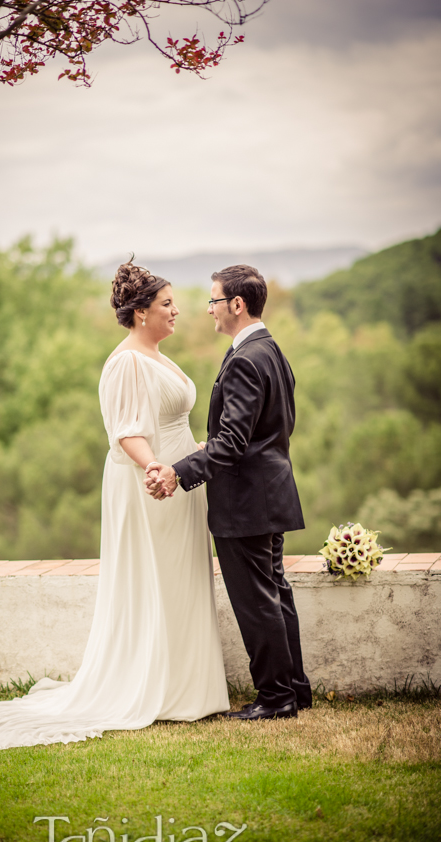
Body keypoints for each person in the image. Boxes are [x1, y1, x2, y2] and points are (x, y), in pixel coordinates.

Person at [0, 261, 229, 750]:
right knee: (154, 580)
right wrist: (155, 471)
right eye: (167, 304)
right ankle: (156, 691)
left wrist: (180, 473)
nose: (177, 312)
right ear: (141, 312)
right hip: (149, 487)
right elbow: (126, 431)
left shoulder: (158, 356)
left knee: (179, 580)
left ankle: (187, 690)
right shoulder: (125, 361)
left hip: (179, 483)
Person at [145, 264, 312, 721]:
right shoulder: (270, 349)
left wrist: (180, 472)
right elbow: (266, 430)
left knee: (257, 600)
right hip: (271, 489)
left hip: (245, 500)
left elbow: (234, 443)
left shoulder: (244, 359)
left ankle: (277, 699)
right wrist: (216, 446)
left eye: (214, 301)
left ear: (237, 304)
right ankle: (295, 689)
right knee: (276, 591)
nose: (210, 310)